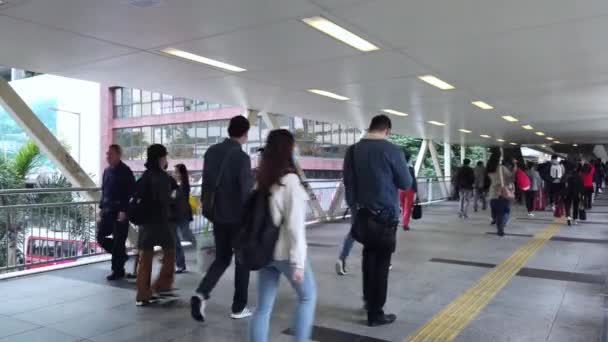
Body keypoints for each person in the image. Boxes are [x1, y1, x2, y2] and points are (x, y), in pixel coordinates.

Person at [343, 114, 412, 326]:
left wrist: (355, 210)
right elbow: (405, 182)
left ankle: (368, 301)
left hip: (362, 215)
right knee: (381, 265)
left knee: (368, 259)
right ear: (387, 131)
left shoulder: (353, 151)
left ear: (370, 127)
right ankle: (376, 313)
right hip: (386, 217)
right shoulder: (391, 150)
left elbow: (348, 183)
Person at [249, 129, 317, 342]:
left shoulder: (262, 178)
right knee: (308, 296)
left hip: (264, 252)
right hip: (284, 253)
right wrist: (298, 262)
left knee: (263, 308)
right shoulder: (290, 181)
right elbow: (295, 227)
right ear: (288, 150)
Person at [191, 115, 254, 322]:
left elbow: (207, 184)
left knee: (222, 258)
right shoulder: (242, 158)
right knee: (242, 261)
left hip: (218, 215)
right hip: (238, 218)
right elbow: (245, 192)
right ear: (245, 134)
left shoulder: (211, 152)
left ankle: (201, 293)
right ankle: (238, 307)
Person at [135, 144, 177, 306]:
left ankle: (143, 294)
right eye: (165, 156)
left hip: (146, 223)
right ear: (161, 158)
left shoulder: (145, 176)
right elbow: (168, 200)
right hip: (161, 222)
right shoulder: (164, 178)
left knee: (145, 259)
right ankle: (161, 286)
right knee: (170, 254)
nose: (166, 159)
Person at [97, 144, 135, 281]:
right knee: (100, 237)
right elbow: (104, 191)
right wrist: (101, 209)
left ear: (118, 155)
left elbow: (131, 193)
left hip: (120, 212)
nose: (108, 156)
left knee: (119, 241)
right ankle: (121, 255)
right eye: (107, 153)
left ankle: (117, 270)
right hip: (107, 211)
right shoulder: (107, 171)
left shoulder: (126, 171)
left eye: (111, 154)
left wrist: (124, 210)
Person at [173, 163, 195, 273]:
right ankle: (180, 264)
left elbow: (179, 199)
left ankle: (199, 246)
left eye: (176, 172)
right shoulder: (179, 185)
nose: (175, 174)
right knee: (176, 239)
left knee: (185, 235)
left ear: (181, 173)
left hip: (182, 215)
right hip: (176, 215)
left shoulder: (184, 185)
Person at [487, 150, 514, 237]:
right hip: (501, 193)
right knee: (502, 212)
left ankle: (497, 223)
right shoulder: (501, 168)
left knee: (496, 212)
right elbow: (510, 177)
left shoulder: (489, 168)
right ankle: (500, 229)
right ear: (499, 157)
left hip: (492, 193)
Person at [398, 150, 418, 230]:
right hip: (409, 189)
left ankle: (403, 221)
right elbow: (413, 180)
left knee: (402, 206)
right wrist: (416, 190)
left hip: (400, 189)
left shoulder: (398, 166)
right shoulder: (410, 168)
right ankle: (405, 224)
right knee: (407, 207)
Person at [563, 162, 584, 226]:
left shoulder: (566, 176)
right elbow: (581, 187)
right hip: (576, 194)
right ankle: (575, 219)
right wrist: (582, 196)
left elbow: (564, 185)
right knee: (576, 207)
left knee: (568, 206)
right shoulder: (579, 176)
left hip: (568, 193)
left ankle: (569, 218)